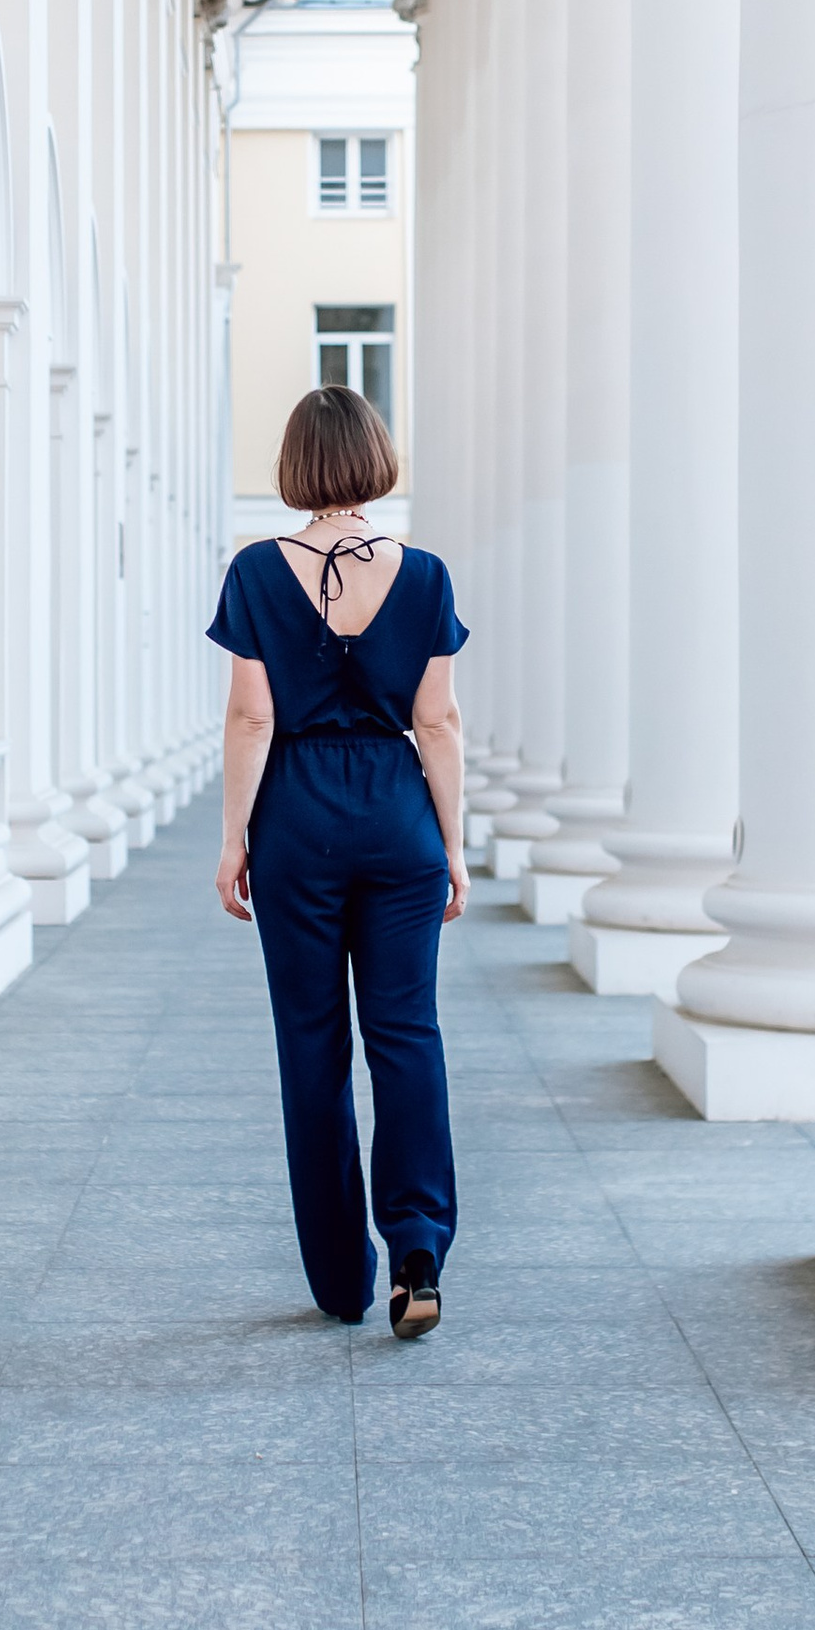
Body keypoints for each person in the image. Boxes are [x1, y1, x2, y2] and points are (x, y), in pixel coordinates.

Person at [209, 385, 469, 1335]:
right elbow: (434, 721)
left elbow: (252, 714)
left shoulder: (254, 570)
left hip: (298, 817)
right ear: (374, 458)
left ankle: (338, 1277)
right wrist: (452, 845)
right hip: (397, 813)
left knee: (311, 1047)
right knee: (407, 1036)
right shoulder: (428, 575)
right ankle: (417, 1252)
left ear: (295, 466)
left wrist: (236, 836)